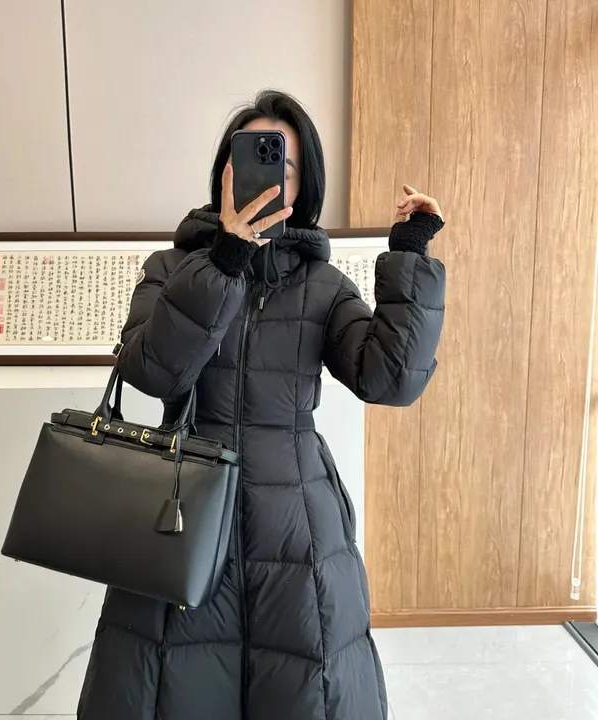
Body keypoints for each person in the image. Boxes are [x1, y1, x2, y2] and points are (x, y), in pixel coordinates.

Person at [78, 90, 446, 720]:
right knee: (172, 689)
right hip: (180, 516)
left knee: (303, 691)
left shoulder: (322, 285)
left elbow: (390, 380)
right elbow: (152, 372)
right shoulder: (171, 268)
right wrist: (226, 257)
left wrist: (410, 253)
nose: (264, 176)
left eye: (284, 164)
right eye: (247, 158)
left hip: (297, 526)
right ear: (224, 172)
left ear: (303, 188)